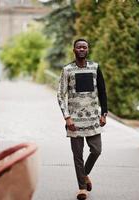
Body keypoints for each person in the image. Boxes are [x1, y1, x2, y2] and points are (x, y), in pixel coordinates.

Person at [57, 38, 108, 200]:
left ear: (88, 50)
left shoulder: (95, 67)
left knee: (97, 150)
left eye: (84, 47)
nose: (81, 49)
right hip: (74, 121)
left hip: (93, 119)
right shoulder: (67, 70)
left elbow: (102, 91)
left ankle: (84, 175)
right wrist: (67, 118)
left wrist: (103, 113)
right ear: (74, 50)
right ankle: (82, 188)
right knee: (77, 155)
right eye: (78, 47)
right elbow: (60, 95)